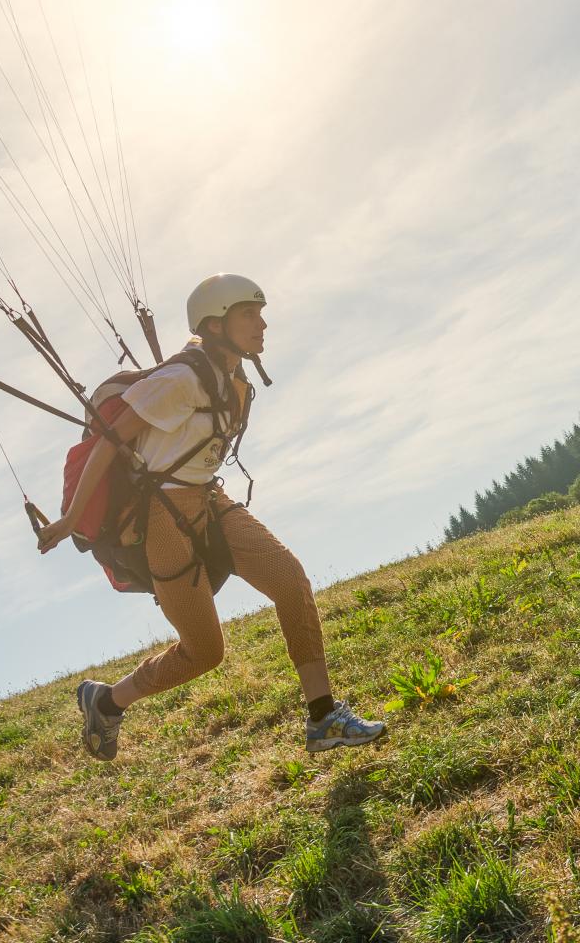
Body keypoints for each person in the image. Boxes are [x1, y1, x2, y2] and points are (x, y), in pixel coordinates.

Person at [39, 274, 386, 760]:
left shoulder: (235, 381)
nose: (261, 324)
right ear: (215, 323)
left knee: (290, 579)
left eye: (260, 314)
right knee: (205, 652)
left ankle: (324, 717)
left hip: (210, 502)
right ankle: (106, 700)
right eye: (249, 314)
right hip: (161, 516)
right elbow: (107, 445)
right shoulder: (179, 380)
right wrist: (69, 518)